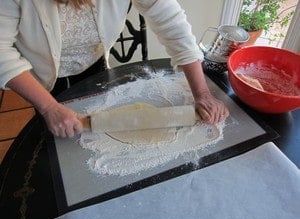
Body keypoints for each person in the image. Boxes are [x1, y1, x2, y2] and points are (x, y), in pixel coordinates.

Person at [0, 0, 229, 138]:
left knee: (91, 127)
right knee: (55, 135)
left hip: (94, 63)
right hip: (41, 76)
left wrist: (202, 94)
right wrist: (49, 107)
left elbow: (170, 21)